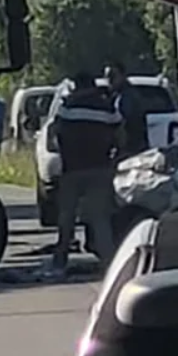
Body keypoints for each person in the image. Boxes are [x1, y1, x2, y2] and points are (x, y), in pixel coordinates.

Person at [39, 71, 121, 281]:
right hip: (100, 168)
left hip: (73, 169)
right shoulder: (107, 106)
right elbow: (120, 135)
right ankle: (111, 265)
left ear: (76, 86)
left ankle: (60, 261)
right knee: (100, 219)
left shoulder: (67, 107)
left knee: (66, 218)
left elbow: (55, 132)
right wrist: (113, 158)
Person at [106, 62, 148, 159]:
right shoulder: (117, 96)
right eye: (107, 77)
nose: (109, 80)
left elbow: (123, 122)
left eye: (113, 76)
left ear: (123, 75)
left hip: (132, 150)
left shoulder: (128, 96)